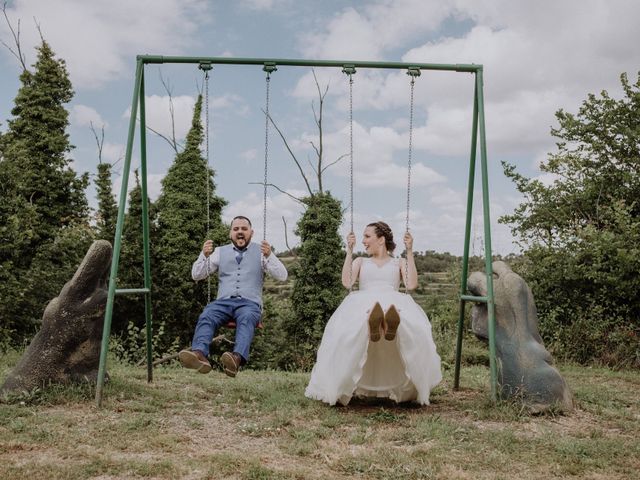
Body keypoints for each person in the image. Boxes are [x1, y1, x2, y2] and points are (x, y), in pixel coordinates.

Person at [305, 221, 442, 405]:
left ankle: (387, 325)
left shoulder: (398, 262)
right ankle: (377, 325)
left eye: (367, 236)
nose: (364, 241)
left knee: (406, 322)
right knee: (357, 323)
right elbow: (347, 282)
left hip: (393, 300)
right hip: (364, 300)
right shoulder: (361, 261)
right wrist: (349, 251)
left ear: (381, 239)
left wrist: (409, 251)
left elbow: (410, 285)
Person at [179, 216, 288, 377]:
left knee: (247, 318)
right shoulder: (219, 252)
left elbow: (283, 276)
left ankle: (236, 358)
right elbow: (196, 275)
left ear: (251, 232)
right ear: (230, 233)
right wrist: (203, 255)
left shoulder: (261, 252)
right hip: (223, 303)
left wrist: (270, 255)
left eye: (244, 229)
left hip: (249, 304)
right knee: (207, 315)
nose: (240, 232)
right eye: (236, 229)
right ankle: (199, 354)